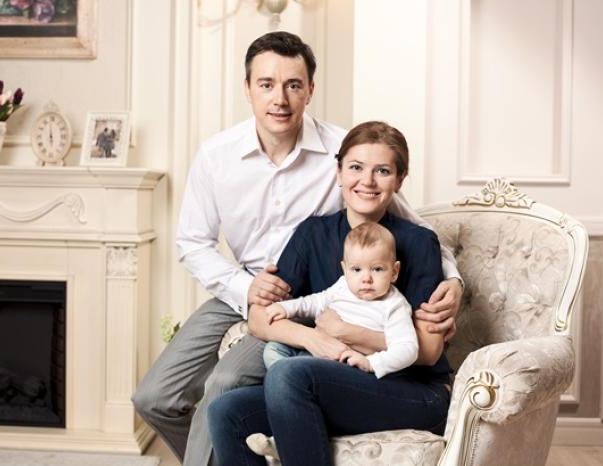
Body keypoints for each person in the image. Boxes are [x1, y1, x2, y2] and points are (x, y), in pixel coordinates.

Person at [132, 32, 461, 466]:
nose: (280, 99)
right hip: (243, 287)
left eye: (293, 85)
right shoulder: (217, 156)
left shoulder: (345, 150)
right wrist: (247, 288)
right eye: (266, 84)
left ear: (310, 90)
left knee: (227, 384)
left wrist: (454, 279)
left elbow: (409, 227)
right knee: (154, 397)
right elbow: (193, 243)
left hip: (314, 294)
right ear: (247, 88)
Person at [207, 120, 452, 466]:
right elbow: (260, 318)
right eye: (356, 168)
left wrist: (345, 333)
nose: (367, 181)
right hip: (342, 381)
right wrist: (315, 339)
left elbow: (427, 351)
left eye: (382, 171)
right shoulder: (312, 234)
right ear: (338, 173)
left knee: (290, 374)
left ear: (399, 180)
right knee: (227, 411)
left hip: (413, 391)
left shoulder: (418, 242)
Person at [262, 221, 418, 380]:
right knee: (273, 349)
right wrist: (287, 308)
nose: (366, 278)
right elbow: (316, 302)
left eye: (377, 269)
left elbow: (408, 349)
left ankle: (297, 380)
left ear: (394, 272)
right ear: (345, 270)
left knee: (294, 371)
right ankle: (292, 380)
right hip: (318, 349)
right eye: (356, 269)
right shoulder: (343, 286)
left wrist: (371, 363)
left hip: (347, 366)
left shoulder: (394, 305)